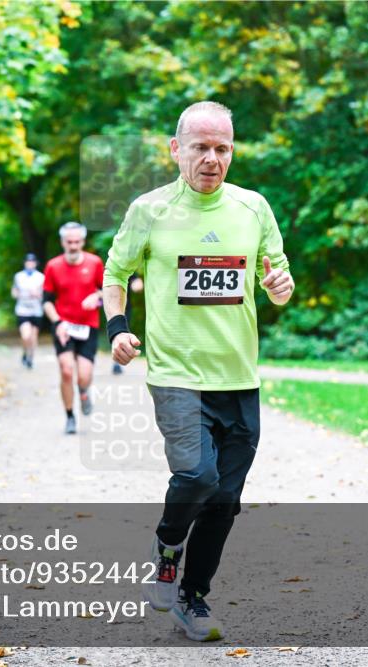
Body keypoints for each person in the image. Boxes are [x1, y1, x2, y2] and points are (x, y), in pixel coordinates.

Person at [102, 101, 294, 641]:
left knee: (225, 502)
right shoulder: (150, 209)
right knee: (197, 477)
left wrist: (280, 287)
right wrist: (118, 328)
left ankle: (194, 597)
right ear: (176, 149)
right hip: (176, 375)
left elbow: (277, 278)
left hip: (239, 379)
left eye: (222, 149)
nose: (211, 159)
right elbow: (115, 271)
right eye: (200, 148)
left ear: (232, 150)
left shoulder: (254, 208)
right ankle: (167, 546)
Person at [43, 221, 104, 435]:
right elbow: (47, 301)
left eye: (77, 241)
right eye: (69, 242)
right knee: (67, 370)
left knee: (84, 376)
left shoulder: (95, 263)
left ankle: (85, 391)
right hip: (64, 326)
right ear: (62, 242)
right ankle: (69, 416)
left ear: (83, 241)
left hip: (88, 325)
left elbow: (107, 292)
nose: (73, 245)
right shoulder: (53, 266)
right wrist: (57, 322)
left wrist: (96, 297)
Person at [12, 253, 45, 369]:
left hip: (36, 310)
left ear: (35, 263)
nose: (30, 264)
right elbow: (14, 291)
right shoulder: (18, 276)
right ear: (25, 263)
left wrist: (37, 294)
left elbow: (44, 294)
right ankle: (25, 352)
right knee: (26, 335)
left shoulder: (41, 277)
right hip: (22, 310)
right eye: (28, 262)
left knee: (33, 336)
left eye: (32, 262)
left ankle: (30, 357)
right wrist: (18, 294)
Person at [112, 273, 143, 375]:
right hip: (110, 309)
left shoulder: (128, 267)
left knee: (123, 334)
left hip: (125, 309)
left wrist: (137, 284)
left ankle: (117, 363)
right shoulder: (107, 269)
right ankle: (116, 361)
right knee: (114, 334)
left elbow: (137, 283)